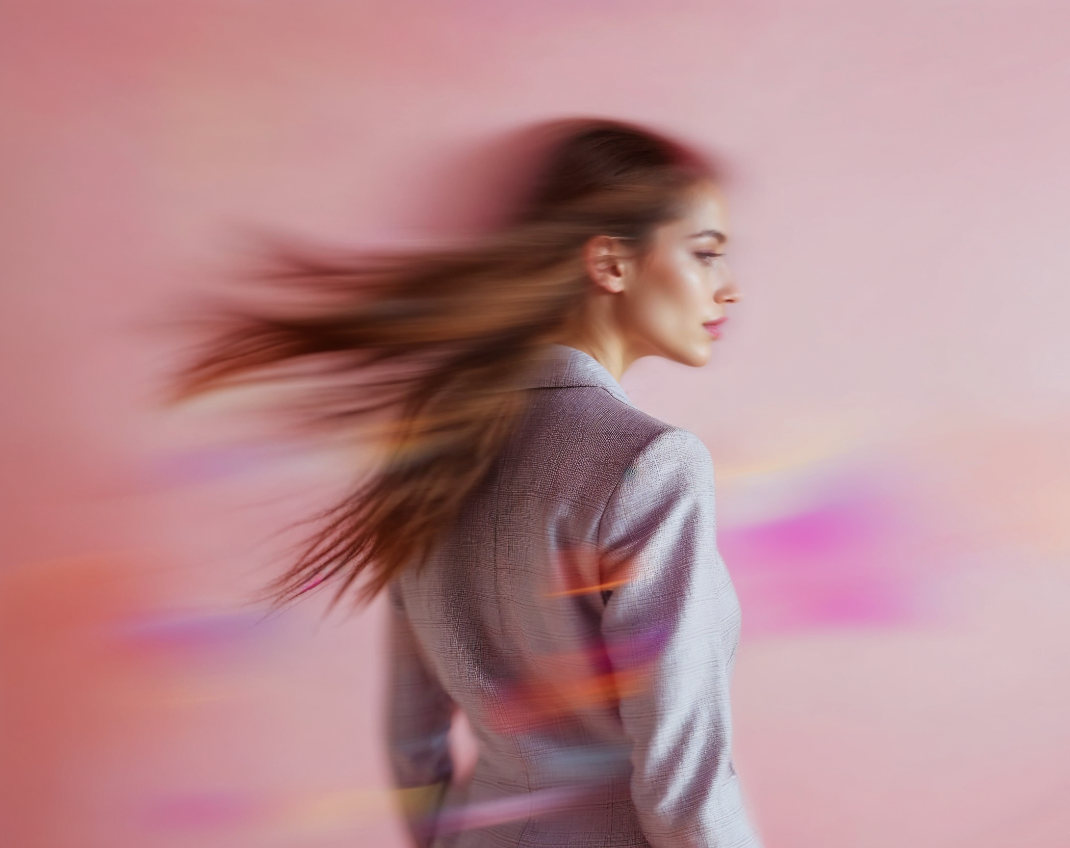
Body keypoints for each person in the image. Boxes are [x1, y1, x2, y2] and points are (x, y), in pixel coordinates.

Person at [168, 118, 762, 847]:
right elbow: (682, 781)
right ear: (610, 262)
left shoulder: (434, 448)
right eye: (705, 255)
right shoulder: (655, 463)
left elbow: (412, 736)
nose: (727, 289)